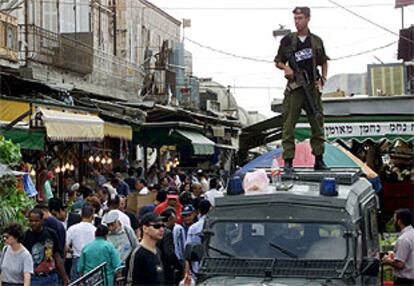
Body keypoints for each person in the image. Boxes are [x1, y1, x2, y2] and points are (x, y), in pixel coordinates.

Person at [274, 6, 329, 173]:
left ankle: (319, 159)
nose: (297, 21)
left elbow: (324, 61)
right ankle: (288, 161)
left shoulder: (316, 41)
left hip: (312, 87)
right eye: (295, 18)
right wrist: (286, 68)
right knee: (289, 125)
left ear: (308, 19)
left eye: (300, 18)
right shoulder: (288, 40)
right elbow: (277, 61)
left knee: (317, 123)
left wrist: (323, 80)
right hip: (295, 88)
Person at [23, 208, 69, 286]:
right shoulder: (26, 236)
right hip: (34, 278)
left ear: (42, 221)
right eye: (31, 221)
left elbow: (56, 255)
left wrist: (64, 277)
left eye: (36, 221)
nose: (33, 223)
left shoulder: (50, 234)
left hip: (50, 277)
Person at [125, 212, 165, 285]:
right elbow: (130, 282)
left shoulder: (158, 251)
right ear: (145, 228)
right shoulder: (137, 254)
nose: (161, 229)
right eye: (157, 226)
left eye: (163, 226)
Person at [382, 208, 414, 285]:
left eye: (394, 220)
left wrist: (388, 260)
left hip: (405, 281)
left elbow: (400, 264)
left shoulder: (403, 239)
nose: (393, 222)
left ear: (399, 222)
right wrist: (395, 255)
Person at [65, 204, 96, 281]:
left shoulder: (73, 228)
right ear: (92, 216)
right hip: (91, 261)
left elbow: (65, 245)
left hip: (77, 260)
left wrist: (71, 251)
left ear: (81, 215)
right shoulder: (95, 230)